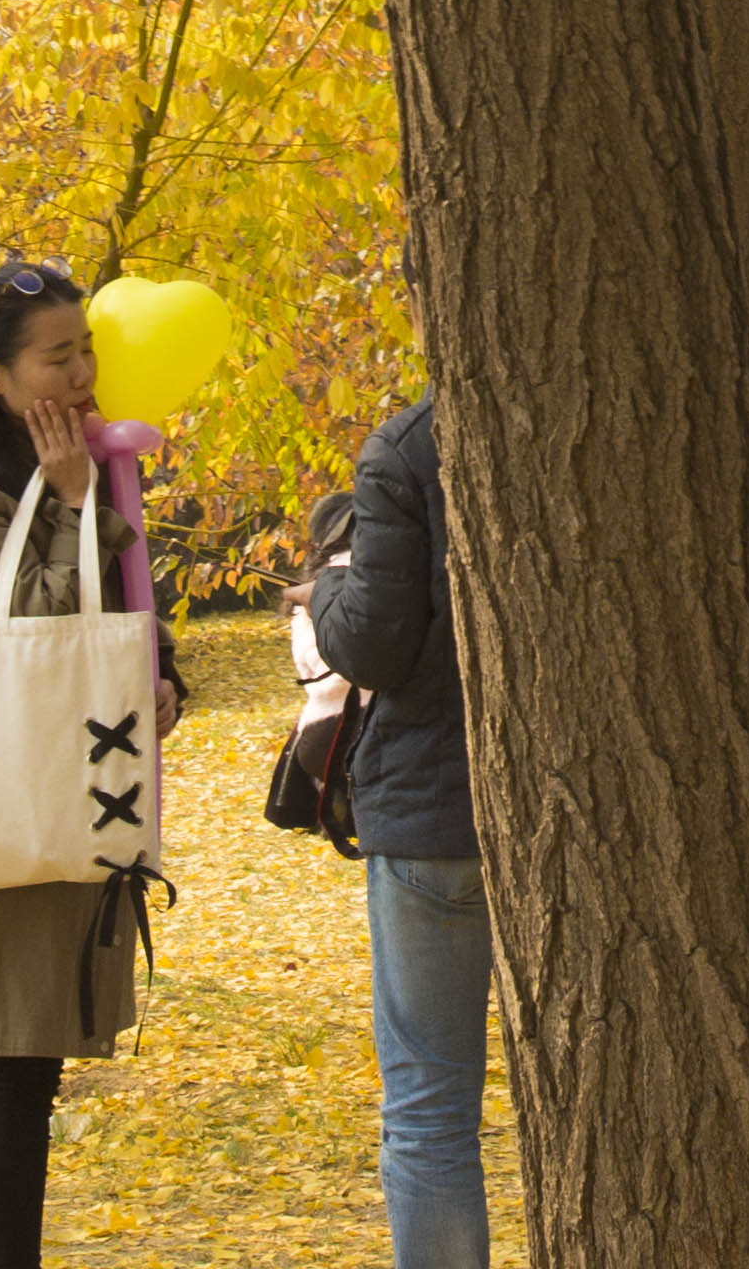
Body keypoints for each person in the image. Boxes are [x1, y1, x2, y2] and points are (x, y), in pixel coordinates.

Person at [0, 263, 181, 1269]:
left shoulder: (82, 480)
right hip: (12, 802)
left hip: (78, 793)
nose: (81, 375)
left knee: (27, 1073)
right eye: (55, 356)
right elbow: (26, 624)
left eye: (87, 350)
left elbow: (121, 622)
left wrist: (162, 684)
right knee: (11, 1072)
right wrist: (74, 503)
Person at [307, 386, 484, 1269]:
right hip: (593, 804)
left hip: (436, 815)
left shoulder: (410, 447)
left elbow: (371, 645)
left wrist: (328, 586)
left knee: (429, 1106)